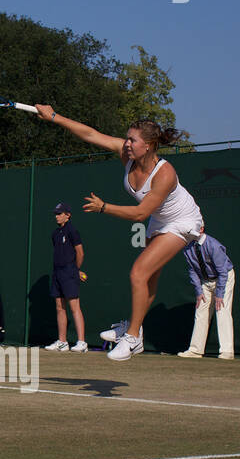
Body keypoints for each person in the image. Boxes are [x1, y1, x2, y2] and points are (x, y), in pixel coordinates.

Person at [37, 106, 203, 361]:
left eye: (132, 140)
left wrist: (104, 207)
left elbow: (139, 214)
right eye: (126, 138)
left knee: (138, 272)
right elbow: (91, 135)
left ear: (147, 145)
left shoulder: (165, 173)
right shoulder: (127, 155)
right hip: (160, 220)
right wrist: (55, 117)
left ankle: (133, 338)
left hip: (182, 221)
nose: (126, 144)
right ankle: (133, 326)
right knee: (149, 279)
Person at [178, 229, 236, 360]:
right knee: (201, 311)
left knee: (222, 310)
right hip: (205, 281)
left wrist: (219, 294)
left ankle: (227, 351)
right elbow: (192, 270)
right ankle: (195, 350)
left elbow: (223, 272)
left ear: (201, 229)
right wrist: (198, 290)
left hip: (224, 279)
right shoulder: (187, 248)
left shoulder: (213, 245)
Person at [45, 202, 88, 353]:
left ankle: (82, 342)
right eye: (56, 214)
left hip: (69, 271)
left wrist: (75, 270)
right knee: (59, 307)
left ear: (67, 215)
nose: (57, 216)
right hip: (57, 272)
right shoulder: (55, 234)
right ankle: (62, 342)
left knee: (74, 307)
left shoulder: (72, 231)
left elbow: (80, 253)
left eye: (59, 213)